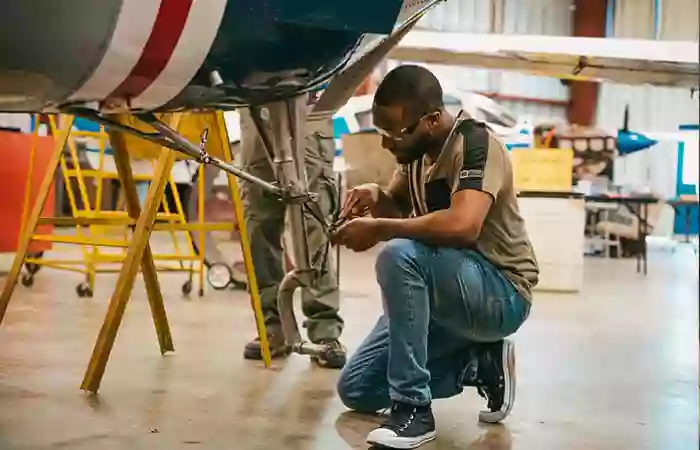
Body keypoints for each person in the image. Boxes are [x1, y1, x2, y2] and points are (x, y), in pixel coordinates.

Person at [331, 65, 538, 449]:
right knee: (357, 389)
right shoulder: (416, 155)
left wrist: (378, 228)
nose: (386, 144)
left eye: (393, 134)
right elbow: (402, 213)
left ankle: (413, 411)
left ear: (430, 120)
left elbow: (463, 225)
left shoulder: (475, 144)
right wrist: (377, 197)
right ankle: (478, 364)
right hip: (445, 291)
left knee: (397, 255)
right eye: (382, 133)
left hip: (500, 293)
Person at [237, 93, 346, 369]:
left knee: (314, 219)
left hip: (310, 104)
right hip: (255, 102)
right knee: (259, 225)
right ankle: (272, 327)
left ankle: (324, 331)